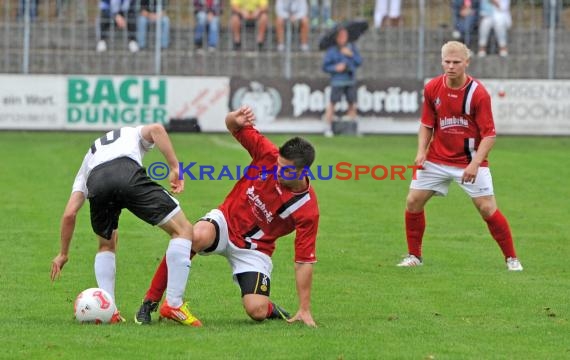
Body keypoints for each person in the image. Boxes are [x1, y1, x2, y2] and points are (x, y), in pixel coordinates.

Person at [134, 106, 319, 327]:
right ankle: (150, 302)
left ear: (302, 172)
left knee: (256, 310)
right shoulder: (267, 154)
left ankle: (271, 309)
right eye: (279, 166)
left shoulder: (307, 210)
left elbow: (303, 262)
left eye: (286, 170)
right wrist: (234, 118)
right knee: (195, 236)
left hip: (255, 249)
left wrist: (304, 309)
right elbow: (232, 125)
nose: (278, 172)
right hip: (225, 222)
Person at [50, 125, 201, 326]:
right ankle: (173, 303)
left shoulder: (88, 161)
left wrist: (63, 254)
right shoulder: (131, 132)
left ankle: (110, 311)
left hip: (97, 181)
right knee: (183, 230)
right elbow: (156, 129)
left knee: (106, 244)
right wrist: (175, 167)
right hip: (126, 173)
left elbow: (69, 214)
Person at [397, 41, 523, 272]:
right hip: (436, 159)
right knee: (413, 201)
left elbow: (489, 136)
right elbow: (426, 124)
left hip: (470, 161)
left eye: (456, 62)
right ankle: (414, 256)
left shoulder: (479, 94)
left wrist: (475, 164)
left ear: (467, 63)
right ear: (441, 61)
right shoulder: (433, 87)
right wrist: (421, 151)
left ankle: (512, 259)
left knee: (487, 208)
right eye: (447, 61)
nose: (451, 66)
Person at [322, 27, 362, 137]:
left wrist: (351, 55)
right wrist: (335, 68)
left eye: (345, 36)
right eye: (341, 36)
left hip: (350, 80)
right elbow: (325, 67)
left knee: (352, 104)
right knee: (332, 104)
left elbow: (359, 62)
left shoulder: (351, 48)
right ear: (337, 38)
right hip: (337, 81)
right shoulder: (332, 51)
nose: (343, 38)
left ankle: (353, 128)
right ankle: (328, 128)